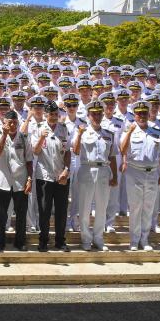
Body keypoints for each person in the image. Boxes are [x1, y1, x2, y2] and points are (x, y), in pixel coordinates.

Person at [119, 101, 160, 251]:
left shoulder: (157, 131)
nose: (142, 116)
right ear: (134, 115)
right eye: (139, 113)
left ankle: (145, 239)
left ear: (149, 114)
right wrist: (129, 132)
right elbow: (122, 149)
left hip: (153, 172)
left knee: (148, 207)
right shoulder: (129, 130)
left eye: (144, 113)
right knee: (135, 207)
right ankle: (134, 240)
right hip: (135, 171)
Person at [73, 100, 118, 251]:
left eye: (99, 114)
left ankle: (98, 238)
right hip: (87, 169)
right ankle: (86, 239)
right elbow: (76, 151)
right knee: (85, 208)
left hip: (104, 171)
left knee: (101, 207)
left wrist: (115, 176)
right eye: (94, 114)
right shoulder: (82, 132)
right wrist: (79, 135)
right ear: (88, 115)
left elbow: (112, 157)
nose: (97, 117)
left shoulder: (109, 134)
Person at [32, 100, 71, 252]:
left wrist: (67, 170)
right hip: (44, 176)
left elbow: (67, 151)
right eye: (51, 114)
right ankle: (43, 241)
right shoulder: (38, 128)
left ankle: (60, 241)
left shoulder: (63, 129)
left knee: (61, 211)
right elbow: (35, 151)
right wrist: (42, 137)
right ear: (45, 114)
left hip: (61, 175)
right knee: (44, 211)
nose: (54, 117)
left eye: (56, 114)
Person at [0, 110, 33, 252]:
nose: (13, 125)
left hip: (20, 181)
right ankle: (0, 242)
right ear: (4, 123)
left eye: (15, 122)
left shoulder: (24, 138)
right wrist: (4, 134)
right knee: (1, 215)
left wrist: (29, 179)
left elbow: (29, 160)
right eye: (10, 122)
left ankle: (20, 242)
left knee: (21, 215)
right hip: (2, 181)